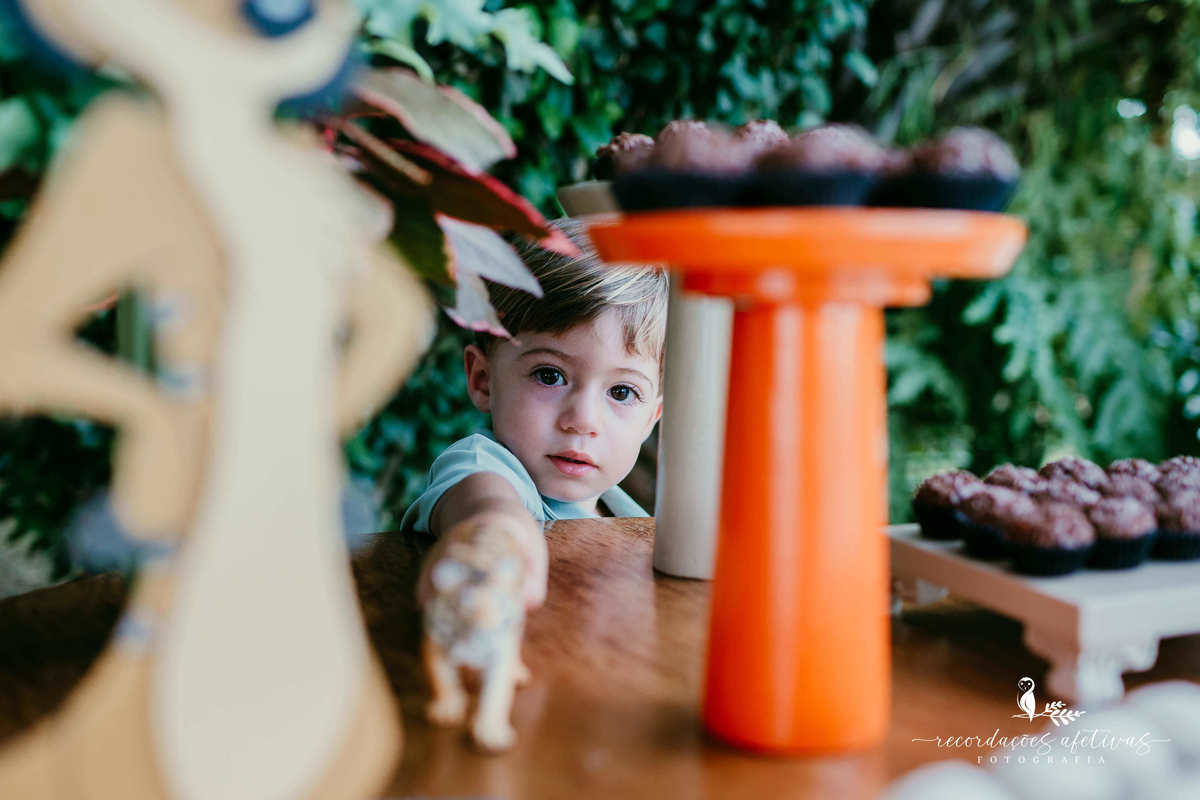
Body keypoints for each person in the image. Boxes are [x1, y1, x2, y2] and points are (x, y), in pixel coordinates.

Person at [403, 218, 668, 609]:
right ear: (483, 380)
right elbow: (487, 510)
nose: (583, 420)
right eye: (550, 375)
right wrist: (495, 538)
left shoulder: (624, 511)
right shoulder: (484, 467)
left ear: (651, 417)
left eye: (622, 391)